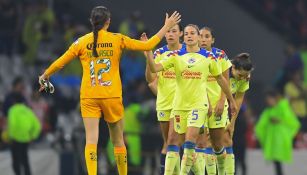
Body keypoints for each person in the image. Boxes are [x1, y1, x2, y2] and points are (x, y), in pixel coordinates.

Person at [38, 6, 181, 175]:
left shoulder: (81, 42)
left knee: (91, 140)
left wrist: (45, 75)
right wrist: (167, 26)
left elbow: (61, 61)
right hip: (111, 96)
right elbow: (148, 45)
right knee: (118, 141)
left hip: (89, 96)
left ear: (91, 21)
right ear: (108, 22)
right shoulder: (117, 39)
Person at [146, 24, 237, 175]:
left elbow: (221, 79)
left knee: (193, 144)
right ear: (184, 37)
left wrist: (230, 101)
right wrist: (148, 51)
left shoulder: (209, 57)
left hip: (199, 106)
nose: (189, 36)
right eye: (187, 34)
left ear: (197, 37)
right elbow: (155, 69)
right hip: (180, 106)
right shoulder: (175, 56)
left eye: (192, 33)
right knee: (185, 146)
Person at [142, 23, 184, 175]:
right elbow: (150, 79)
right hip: (163, 104)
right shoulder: (159, 52)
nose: (170, 34)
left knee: (175, 141)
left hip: (182, 104)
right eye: (168, 31)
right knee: (168, 144)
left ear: (180, 34)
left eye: (174, 31)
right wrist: (149, 57)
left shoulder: (187, 53)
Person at [191, 26, 232, 175]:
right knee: (200, 143)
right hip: (199, 104)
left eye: (207, 36)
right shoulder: (193, 56)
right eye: (200, 36)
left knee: (217, 144)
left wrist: (222, 101)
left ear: (212, 40)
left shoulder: (220, 55)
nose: (203, 39)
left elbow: (225, 80)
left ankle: (221, 172)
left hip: (217, 105)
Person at [255, 89, 300, 175]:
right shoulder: (268, 111)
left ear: (274, 98)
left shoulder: (283, 106)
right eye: (267, 100)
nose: (268, 102)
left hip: (281, 141)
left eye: (269, 99)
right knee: (277, 164)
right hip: (274, 142)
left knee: (279, 163)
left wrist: (279, 120)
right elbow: (260, 126)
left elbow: (292, 122)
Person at [222, 53, 254, 175]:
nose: (242, 78)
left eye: (245, 76)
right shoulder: (222, 71)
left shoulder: (245, 76)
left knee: (227, 141)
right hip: (206, 105)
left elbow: (239, 99)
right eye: (240, 75)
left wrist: (232, 122)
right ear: (233, 68)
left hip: (224, 110)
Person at [7, 93, 41, 175]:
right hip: (26, 139)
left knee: (16, 161)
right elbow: (37, 125)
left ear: (14, 101)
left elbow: (12, 124)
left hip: (15, 139)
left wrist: (11, 136)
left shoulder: (12, 110)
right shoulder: (28, 110)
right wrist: (33, 136)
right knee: (25, 160)